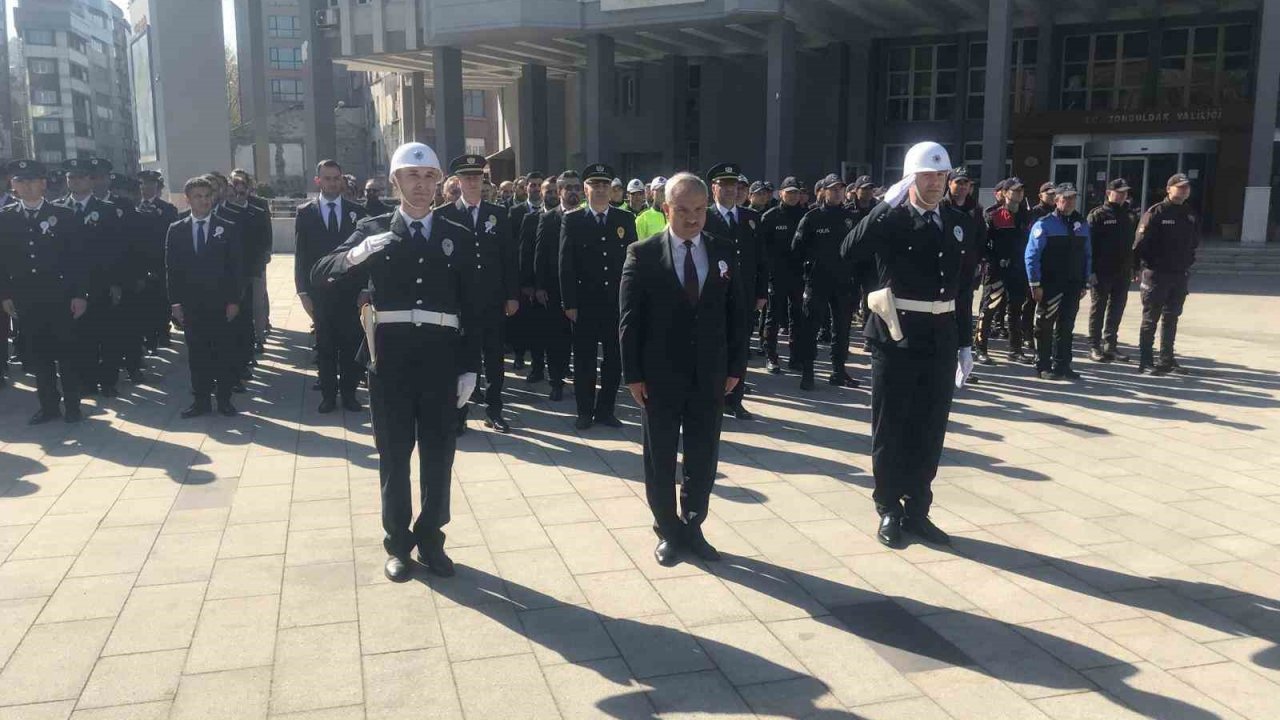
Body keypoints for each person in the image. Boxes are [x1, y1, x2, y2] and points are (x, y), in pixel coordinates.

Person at [311, 142, 480, 581]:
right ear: (395, 182)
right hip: (390, 361)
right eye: (412, 177)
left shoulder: (458, 234)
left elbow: (475, 305)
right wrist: (357, 253)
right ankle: (398, 543)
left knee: (439, 454)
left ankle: (431, 539)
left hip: (441, 361)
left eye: (429, 178)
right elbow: (321, 272)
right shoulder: (372, 228)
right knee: (394, 455)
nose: (421, 187)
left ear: (440, 182)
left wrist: (470, 365)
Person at [839, 142, 981, 548]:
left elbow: (964, 287)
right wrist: (884, 206)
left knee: (929, 428)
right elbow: (848, 251)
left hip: (940, 337)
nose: (936, 183)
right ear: (909, 179)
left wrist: (965, 342)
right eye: (926, 176)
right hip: (896, 337)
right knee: (892, 427)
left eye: (940, 176)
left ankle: (918, 509)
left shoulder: (958, 222)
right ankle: (888, 508)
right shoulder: (891, 219)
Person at [620, 172, 747, 567]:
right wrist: (633, 375)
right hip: (659, 377)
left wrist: (735, 367)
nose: (693, 218)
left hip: (709, 374)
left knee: (703, 453)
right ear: (665, 209)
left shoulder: (723, 250)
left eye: (699, 210)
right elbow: (629, 320)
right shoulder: (642, 254)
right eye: (683, 210)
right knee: (660, 457)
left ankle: (693, 525)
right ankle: (667, 530)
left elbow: (737, 315)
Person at [0, 159, 88, 422]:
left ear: (43, 183)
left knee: (67, 354)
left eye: (32, 181)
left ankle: (73, 406)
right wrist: (5, 294)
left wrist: (79, 294)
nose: (26, 187)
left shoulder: (64, 215)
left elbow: (78, 258)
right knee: (39, 356)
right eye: (20, 181)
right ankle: (48, 406)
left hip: (61, 297)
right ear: (12, 185)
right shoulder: (5, 218)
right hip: (27, 298)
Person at [560, 163, 637, 429]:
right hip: (585, 303)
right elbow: (565, 265)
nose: (601, 190)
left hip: (616, 303)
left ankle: (606, 410)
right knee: (584, 360)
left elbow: (632, 264)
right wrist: (569, 303)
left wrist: (632, 300)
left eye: (605, 185)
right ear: (585, 189)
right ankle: (584, 411)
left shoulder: (624, 220)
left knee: (614, 360)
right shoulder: (572, 219)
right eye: (595, 185)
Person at [449, 154, 517, 434]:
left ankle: (494, 410)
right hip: (459, 303)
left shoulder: (498, 214)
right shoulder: (444, 214)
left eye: (477, 176)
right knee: (464, 360)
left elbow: (509, 258)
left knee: (494, 360)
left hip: (492, 301)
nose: (473, 181)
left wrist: (512, 295)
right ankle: (459, 412)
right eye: (467, 177)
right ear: (458, 182)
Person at [166, 176, 245, 418]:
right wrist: (175, 303)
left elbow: (236, 268)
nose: (204, 201)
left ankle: (224, 400)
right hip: (191, 305)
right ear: (188, 199)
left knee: (222, 352)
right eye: (198, 196)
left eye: (207, 196)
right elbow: (171, 269)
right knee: (197, 355)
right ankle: (200, 401)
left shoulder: (228, 227)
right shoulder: (176, 229)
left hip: (220, 303)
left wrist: (234, 301)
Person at [295, 160, 369, 413]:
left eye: (336, 178)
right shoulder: (305, 212)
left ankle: (349, 394)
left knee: (351, 345)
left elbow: (365, 255)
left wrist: (365, 289)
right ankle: (328, 395)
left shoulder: (357, 212)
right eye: (327, 178)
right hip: (320, 293)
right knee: (325, 346)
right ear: (318, 181)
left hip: (350, 292)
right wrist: (303, 292)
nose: (332, 183)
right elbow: (301, 256)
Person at [56, 157, 131, 398]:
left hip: (101, 284)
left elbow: (118, 250)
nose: (75, 181)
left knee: (106, 335)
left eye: (81, 176)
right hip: (70, 286)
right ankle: (87, 381)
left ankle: (108, 381)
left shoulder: (106, 210)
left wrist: (117, 283)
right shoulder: (56, 210)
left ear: (91, 179)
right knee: (79, 337)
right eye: (71, 177)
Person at [703, 163, 766, 420]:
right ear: (713, 188)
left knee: (740, 345)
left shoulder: (751, 218)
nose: (730, 190)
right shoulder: (705, 216)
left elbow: (761, 259)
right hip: (715, 294)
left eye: (735, 185)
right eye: (724, 185)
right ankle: (714, 398)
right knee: (716, 345)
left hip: (745, 294)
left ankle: (735, 399)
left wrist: (761, 292)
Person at [793, 174, 860, 390]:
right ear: (823, 192)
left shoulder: (851, 217)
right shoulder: (812, 218)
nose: (838, 192)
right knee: (810, 327)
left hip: (843, 282)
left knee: (841, 329)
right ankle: (808, 371)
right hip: (818, 281)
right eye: (833, 189)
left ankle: (839, 371)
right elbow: (797, 248)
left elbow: (859, 249)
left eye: (841, 189)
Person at [1026, 183, 1094, 381]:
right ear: (1056, 200)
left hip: (1073, 284)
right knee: (1045, 325)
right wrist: (1035, 283)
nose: (1070, 201)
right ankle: (1043, 365)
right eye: (1066, 198)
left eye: (1073, 197)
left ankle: (1063, 364)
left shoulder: (1081, 223)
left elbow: (1087, 254)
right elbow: (1032, 255)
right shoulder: (1044, 224)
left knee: (1067, 326)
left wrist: (1085, 282)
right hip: (1050, 285)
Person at [1134, 173, 1199, 375]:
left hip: (1178, 274)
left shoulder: (1189, 213)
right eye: (1179, 187)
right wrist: (1143, 267)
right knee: (1150, 319)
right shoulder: (1156, 212)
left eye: (1186, 187)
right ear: (1168, 189)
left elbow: (1194, 242)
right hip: (1156, 275)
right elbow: (1140, 244)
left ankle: (1167, 359)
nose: (1183, 190)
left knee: (1171, 318)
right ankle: (1146, 362)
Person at [975, 177, 1035, 365]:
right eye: (1015, 190)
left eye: (1021, 191)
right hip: (997, 270)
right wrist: (994, 260)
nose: (1019, 193)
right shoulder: (993, 215)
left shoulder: (1027, 215)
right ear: (1005, 193)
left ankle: (1015, 350)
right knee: (989, 309)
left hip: (1019, 270)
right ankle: (980, 349)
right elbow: (982, 244)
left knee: (1016, 310)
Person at [535, 172, 580, 402]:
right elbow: (540, 253)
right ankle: (556, 382)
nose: (573, 191)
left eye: (576, 187)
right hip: (555, 289)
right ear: (560, 191)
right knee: (557, 340)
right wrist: (540, 286)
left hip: (583, 289)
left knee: (581, 340)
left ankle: (583, 383)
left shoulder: (586, 216)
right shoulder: (549, 218)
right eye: (568, 187)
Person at [1087, 178, 1138, 363]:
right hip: (1101, 271)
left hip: (1122, 271)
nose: (1123, 195)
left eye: (1125, 192)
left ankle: (1111, 346)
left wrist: (1134, 266)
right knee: (1098, 308)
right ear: (1109, 193)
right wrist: (1090, 271)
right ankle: (1094, 346)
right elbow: (1089, 246)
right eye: (1119, 192)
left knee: (1117, 308)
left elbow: (1132, 244)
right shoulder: (1098, 215)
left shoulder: (1129, 215)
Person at [760, 177, 806, 374]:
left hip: (798, 275)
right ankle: (771, 356)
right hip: (776, 275)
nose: (793, 196)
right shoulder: (770, 217)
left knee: (797, 317)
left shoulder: (806, 216)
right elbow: (762, 249)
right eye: (789, 193)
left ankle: (796, 357)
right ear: (781, 194)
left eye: (796, 192)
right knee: (774, 316)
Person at [517, 177, 559, 385]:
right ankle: (537, 367)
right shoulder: (531, 219)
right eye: (548, 191)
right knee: (537, 330)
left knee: (557, 333)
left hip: (559, 284)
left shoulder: (568, 217)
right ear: (541, 193)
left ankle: (558, 370)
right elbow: (525, 252)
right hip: (536, 284)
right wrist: (528, 284)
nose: (552, 195)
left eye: (554, 191)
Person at [137, 171, 179, 352]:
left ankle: (163, 332)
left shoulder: (168, 209)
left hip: (160, 261)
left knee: (162, 299)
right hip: (140, 262)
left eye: (151, 184)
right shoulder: (133, 207)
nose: (146, 187)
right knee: (145, 301)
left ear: (157, 186)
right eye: (143, 184)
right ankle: (149, 337)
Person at [507, 172, 545, 370]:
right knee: (521, 319)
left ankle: (541, 360)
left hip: (542, 274)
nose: (536, 189)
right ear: (526, 187)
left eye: (539, 185)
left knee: (540, 321)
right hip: (522, 272)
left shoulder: (551, 211)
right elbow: (512, 245)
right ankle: (520, 355)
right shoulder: (516, 212)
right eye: (532, 185)